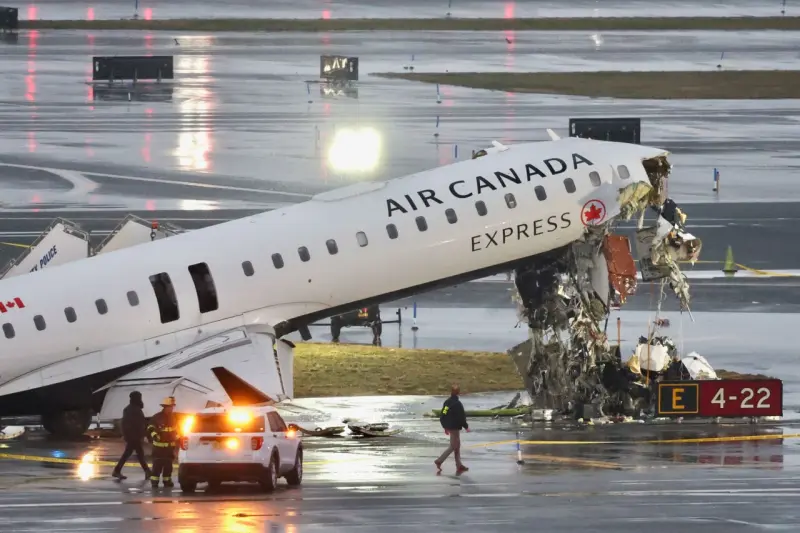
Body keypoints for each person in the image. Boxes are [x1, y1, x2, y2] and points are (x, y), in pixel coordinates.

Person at [111, 391, 152, 481]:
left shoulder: (130, 409)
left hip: (133, 436)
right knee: (138, 454)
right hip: (134, 437)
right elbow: (133, 424)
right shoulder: (133, 410)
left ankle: (147, 471)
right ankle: (147, 471)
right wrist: (141, 434)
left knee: (132, 454)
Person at [435, 383, 469, 473]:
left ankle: (459, 465)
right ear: (458, 393)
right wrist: (466, 427)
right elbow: (461, 417)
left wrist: (445, 426)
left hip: (450, 427)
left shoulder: (447, 403)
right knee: (453, 446)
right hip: (455, 428)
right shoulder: (458, 404)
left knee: (456, 446)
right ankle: (439, 460)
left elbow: (443, 414)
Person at [147, 396, 179, 488]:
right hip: (159, 448)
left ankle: (167, 481)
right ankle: (154, 481)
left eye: (173, 407)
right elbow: (150, 427)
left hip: (169, 448)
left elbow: (176, 430)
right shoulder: (157, 417)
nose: (172, 408)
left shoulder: (173, 418)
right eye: (170, 407)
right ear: (165, 407)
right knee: (157, 465)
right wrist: (155, 436)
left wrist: (178, 438)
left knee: (168, 466)